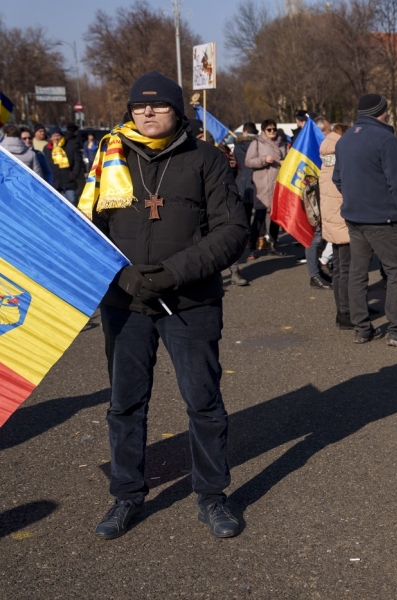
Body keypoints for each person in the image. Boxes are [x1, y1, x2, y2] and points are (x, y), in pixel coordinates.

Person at [77, 71, 248, 540]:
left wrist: (174, 273)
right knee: (125, 404)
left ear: (178, 111)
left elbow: (232, 230)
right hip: (125, 302)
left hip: (190, 301)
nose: (147, 112)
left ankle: (212, 496)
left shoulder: (206, 158)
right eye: (138, 106)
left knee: (203, 402)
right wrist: (123, 274)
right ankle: (126, 494)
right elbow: (86, 228)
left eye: (158, 105)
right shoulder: (109, 156)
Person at [333, 93, 397, 346]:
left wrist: (355, 197)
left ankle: (362, 329)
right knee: (396, 271)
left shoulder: (344, 140)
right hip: (381, 218)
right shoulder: (385, 138)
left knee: (357, 273)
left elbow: (337, 179)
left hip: (354, 216)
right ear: (381, 112)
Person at [245, 118, 294, 261]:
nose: (272, 132)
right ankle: (252, 248)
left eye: (274, 129)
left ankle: (273, 246)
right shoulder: (257, 143)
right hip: (262, 184)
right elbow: (248, 161)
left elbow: (286, 159)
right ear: (263, 131)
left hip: (278, 184)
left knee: (276, 217)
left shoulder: (282, 143)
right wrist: (263, 160)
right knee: (259, 216)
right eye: (269, 129)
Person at [320, 123, 353, 329]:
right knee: (348, 269)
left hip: (332, 219)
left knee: (341, 269)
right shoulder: (341, 160)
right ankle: (346, 312)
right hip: (343, 219)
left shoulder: (327, 160)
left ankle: (345, 310)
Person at [229, 122, 259, 285]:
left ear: (245, 131)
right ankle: (255, 243)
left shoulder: (238, 146)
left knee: (243, 220)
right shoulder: (259, 145)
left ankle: (248, 245)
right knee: (258, 216)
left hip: (242, 184)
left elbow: (235, 167)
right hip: (256, 184)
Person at [43, 125, 83, 204]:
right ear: (51, 137)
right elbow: (45, 163)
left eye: (58, 135)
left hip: (69, 180)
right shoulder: (47, 148)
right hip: (54, 181)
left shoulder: (70, 146)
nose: (56, 138)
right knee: (58, 204)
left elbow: (77, 161)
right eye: (54, 136)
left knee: (72, 201)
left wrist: (73, 175)